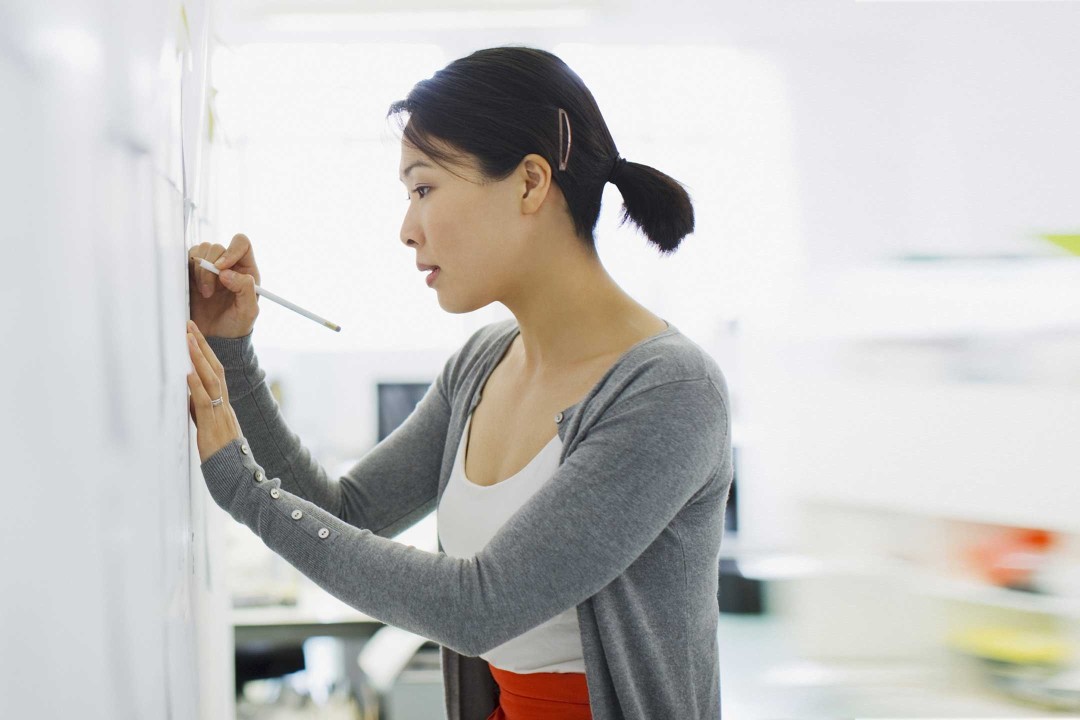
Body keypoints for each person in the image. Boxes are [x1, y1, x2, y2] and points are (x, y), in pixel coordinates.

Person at [184, 46, 731, 720]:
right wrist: (231, 351)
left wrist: (244, 491)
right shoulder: (482, 362)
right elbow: (347, 512)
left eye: (423, 188)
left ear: (530, 183)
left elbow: (481, 607)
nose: (407, 229)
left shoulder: (671, 391)